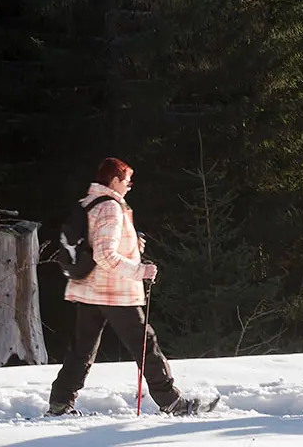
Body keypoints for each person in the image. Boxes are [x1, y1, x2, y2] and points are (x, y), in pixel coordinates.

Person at [47, 158, 205, 417]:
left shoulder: (90, 203)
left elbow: (98, 244)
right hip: (114, 292)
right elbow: (105, 255)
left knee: (82, 348)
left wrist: (134, 247)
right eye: (127, 179)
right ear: (114, 180)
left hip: (89, 289)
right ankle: (172, 403)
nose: (130, 185)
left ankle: (60, 402)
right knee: (146, 344)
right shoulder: (110, 206)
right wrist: (141, 271)